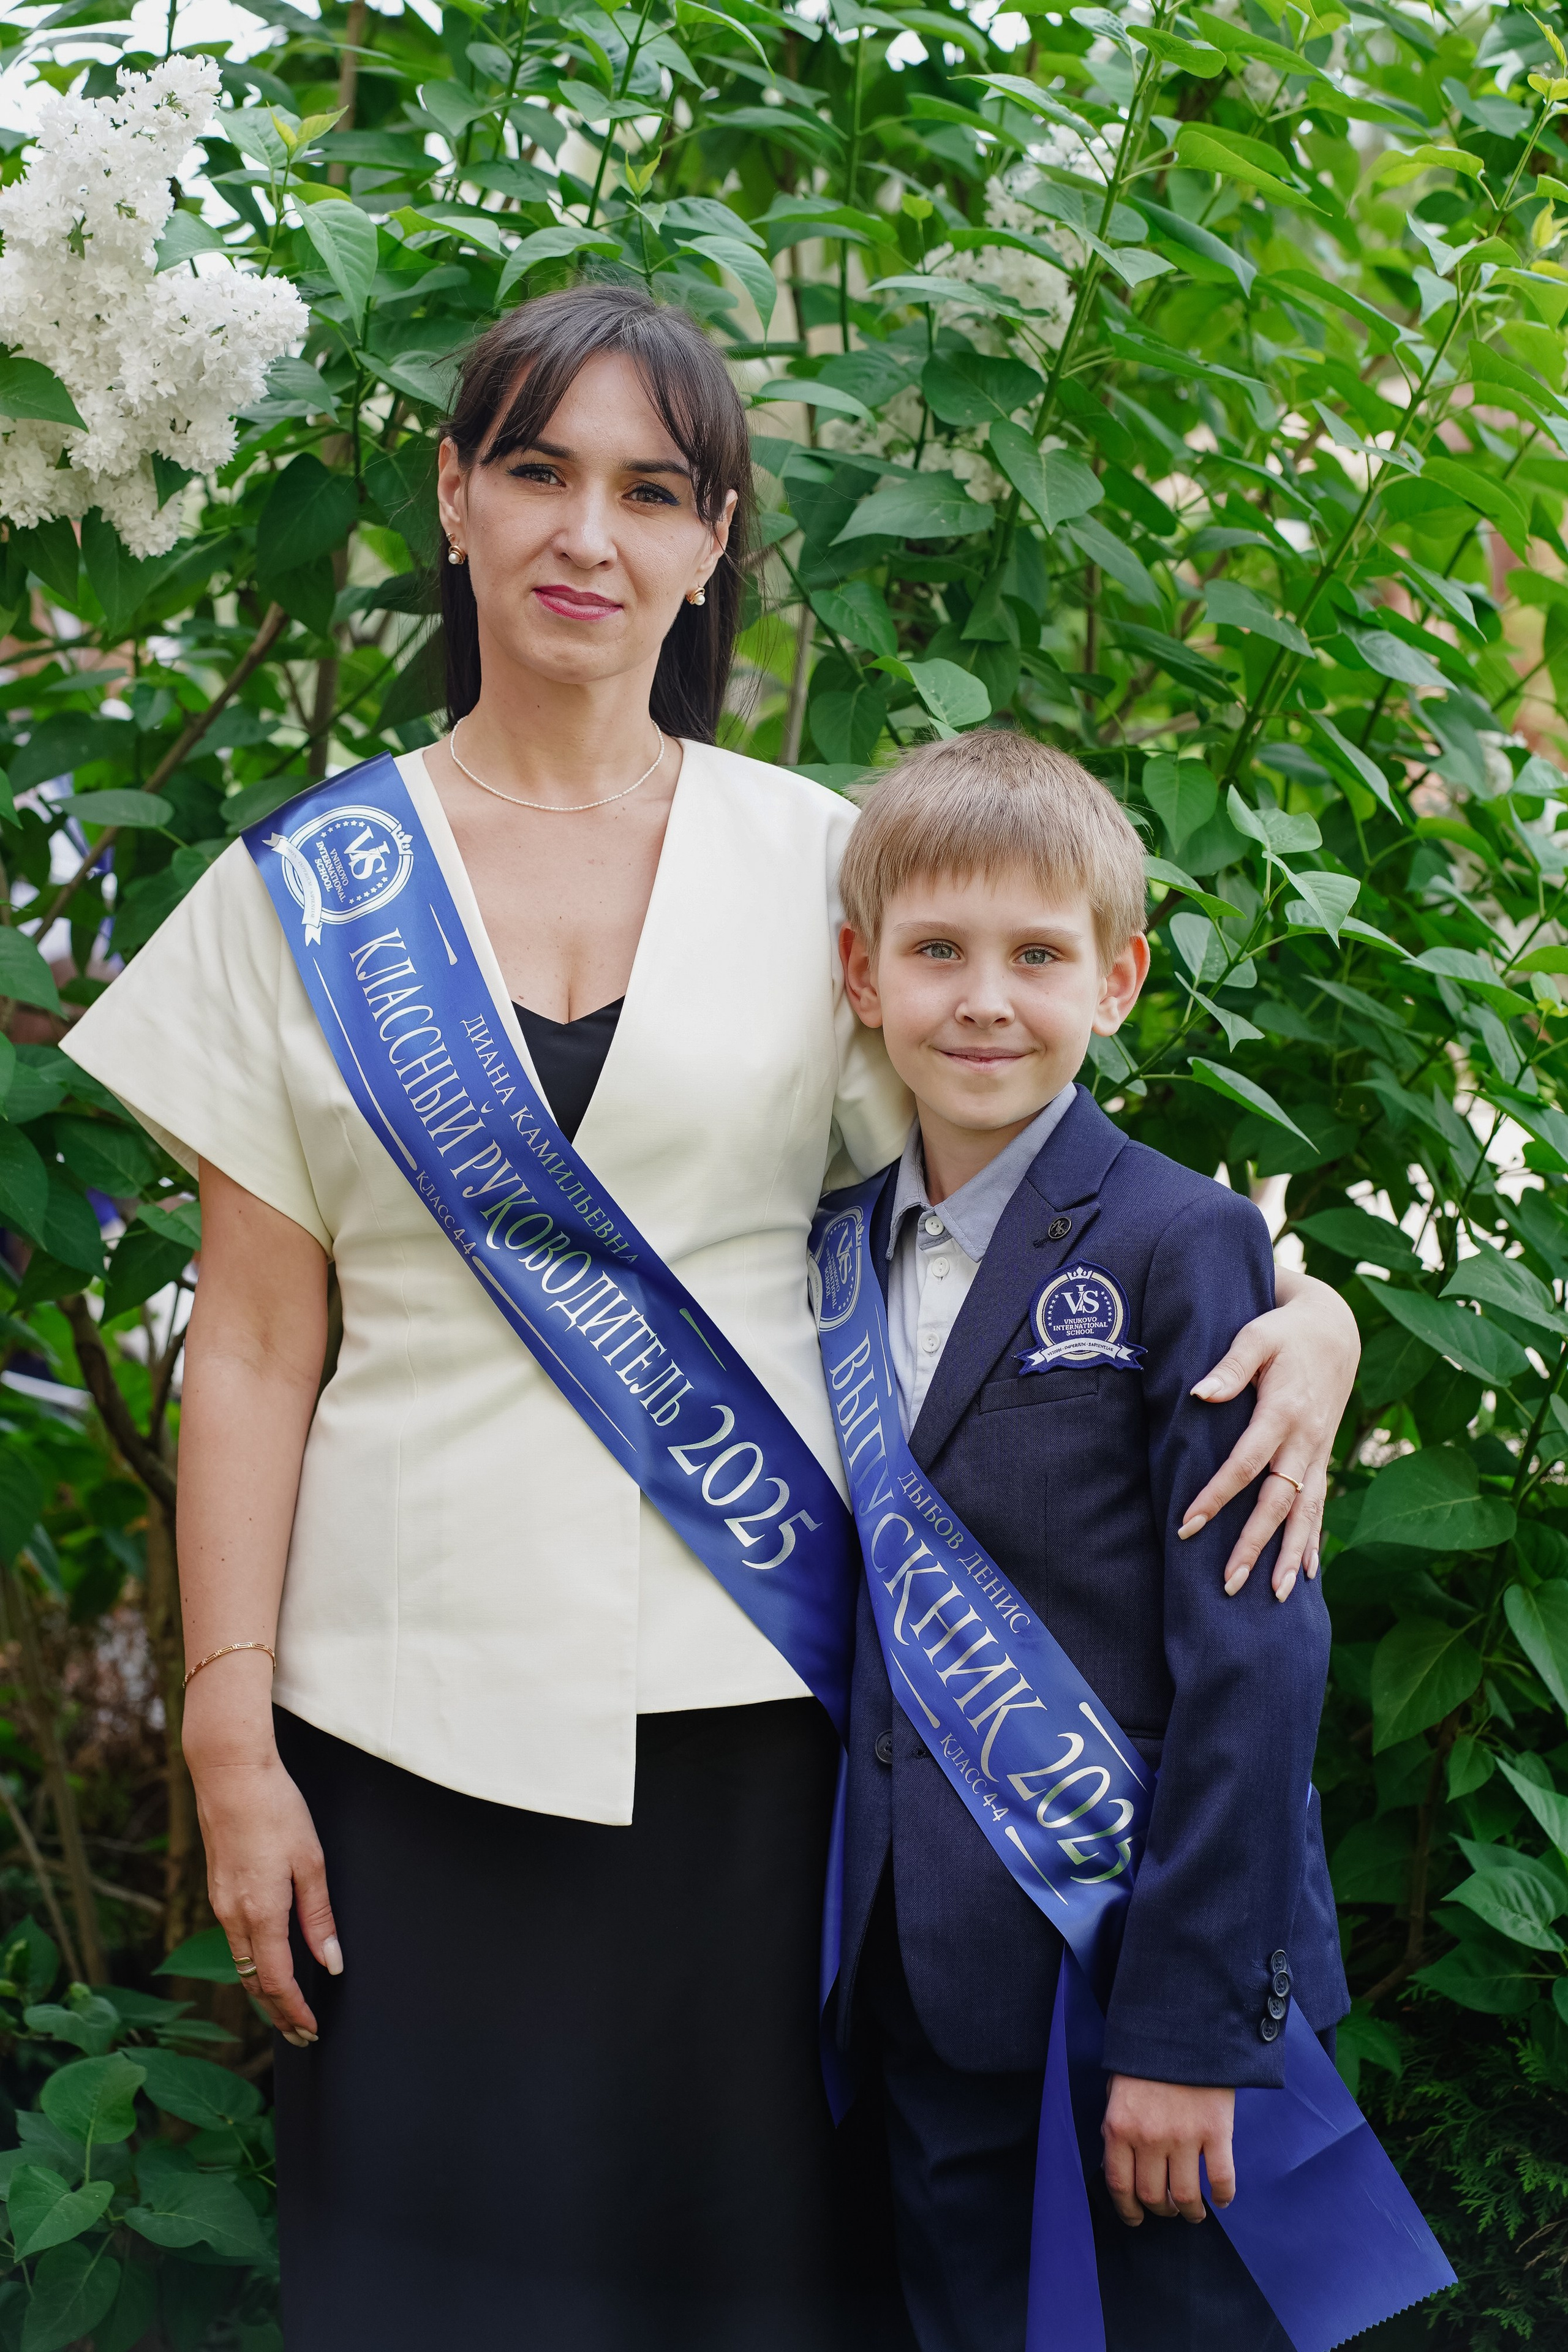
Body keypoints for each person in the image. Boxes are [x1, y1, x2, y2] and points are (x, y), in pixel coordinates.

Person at [62, 284, 1357, 2350]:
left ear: (713, 535)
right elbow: (249, 1343)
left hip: (779, 1739)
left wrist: (1314, 1310)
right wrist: (229, 1722)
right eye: (540, 473)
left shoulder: (826, 868)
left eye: (651, 490)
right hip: (400, 1735)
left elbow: (1032, 1190)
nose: (592, 533)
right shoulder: (299, 886)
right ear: (457, 501)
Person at [828, 732, 1350, 2352]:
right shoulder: (831, 1254)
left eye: (1039, 955)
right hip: (922, 1976)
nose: (987, 999)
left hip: (1139, 1960)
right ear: (863, 976)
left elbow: (1257, 1651)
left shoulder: (1183, 1241)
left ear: (1117, 981)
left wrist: (1192, 2033)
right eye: (938, 952)